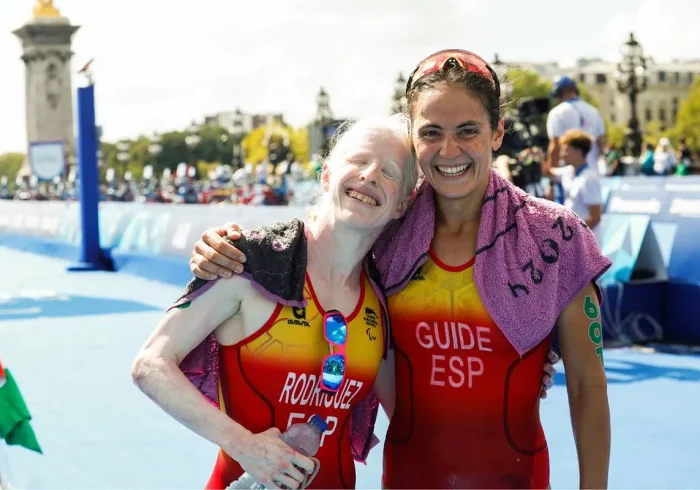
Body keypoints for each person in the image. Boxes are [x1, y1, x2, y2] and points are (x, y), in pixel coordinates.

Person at [188, 49, 612, 488]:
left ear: (497, 133)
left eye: (468, 131)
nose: (450, 150)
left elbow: (588, 387)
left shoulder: (556, 240)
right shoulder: (385, 234)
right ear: (414, 136)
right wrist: (229, 249)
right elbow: (317, 244)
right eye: (432, 132)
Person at [131, 115, 420, 489]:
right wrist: (243, 445)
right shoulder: (249, 261)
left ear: (402, 204)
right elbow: (150, 364)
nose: (369, 175)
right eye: (357, 161)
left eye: (390, 172)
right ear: (326, 175)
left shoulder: (383, 301)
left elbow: (411, 419)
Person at [545, 76, 606, 203]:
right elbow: (601, 143)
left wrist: (551, 182)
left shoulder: (557, 113)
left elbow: (554, 148)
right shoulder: (593, 111)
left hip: (568, 175)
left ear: (559, 93)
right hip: (593, 173)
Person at [542, 129, 603, 229]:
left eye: (566, 150)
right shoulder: (568, 171)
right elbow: (547, 172)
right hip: (571, 237)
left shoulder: (590, 178)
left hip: (584, 241)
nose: (562, 154)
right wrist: (538, 157)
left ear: (578, 151)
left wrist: (576, 235)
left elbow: (595, 218)